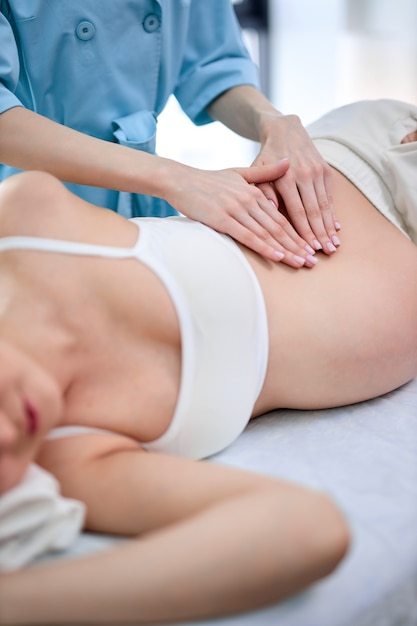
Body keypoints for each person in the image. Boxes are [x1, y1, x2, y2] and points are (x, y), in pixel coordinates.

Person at [0, 98, 417, 624]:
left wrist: (265, 130)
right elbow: (303, 528)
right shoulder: (68, 456)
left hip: (348, 153)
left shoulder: (20, 219)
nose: (4, 437)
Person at [0, 0, 339, 269]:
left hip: (146, 212)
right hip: (25, 208)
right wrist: (176, 179)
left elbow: (211, 62)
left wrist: (272, 122)